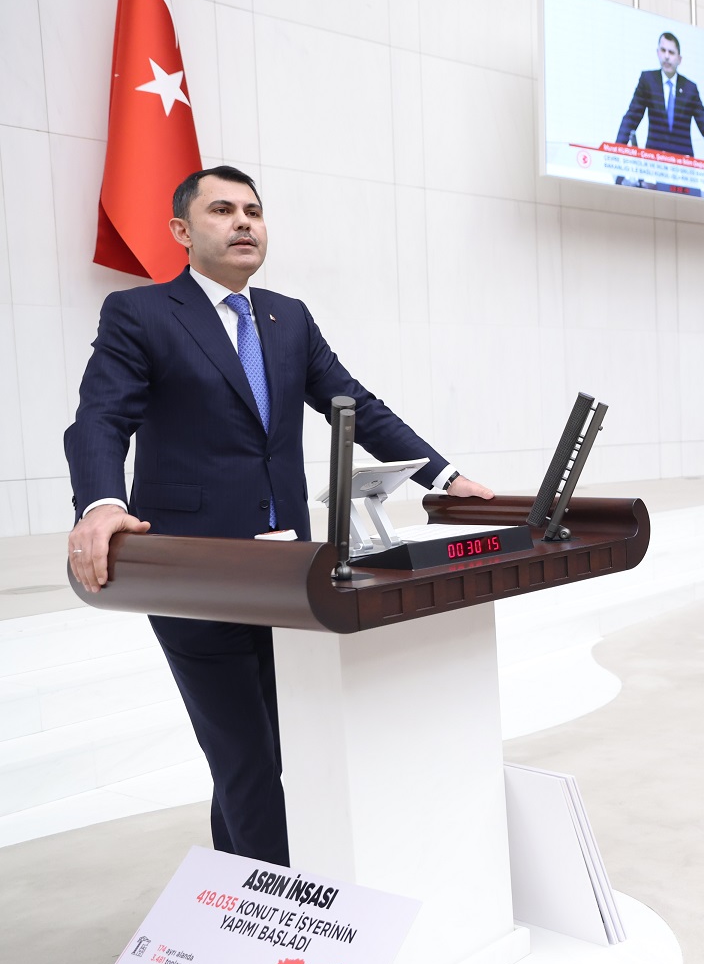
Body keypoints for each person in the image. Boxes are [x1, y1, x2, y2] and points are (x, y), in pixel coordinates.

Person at [63, 166, 494, 867]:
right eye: (222, 210)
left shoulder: (286, 317)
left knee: (271, 748)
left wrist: (445, 477)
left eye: (254, 211)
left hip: (292, 571)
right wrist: (101, 503)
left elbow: (355, 404)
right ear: (180, 231)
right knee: (245, 756)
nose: (244, 222)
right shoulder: (140, 314)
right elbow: (99, 419)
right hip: (196, 572)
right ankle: (278, 906)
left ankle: (240, 887)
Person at [615, 31, 704, 162]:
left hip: (683, 161)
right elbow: (631, 117)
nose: (666, 56)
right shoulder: (648, 80)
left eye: (671, 52)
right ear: (657, 53)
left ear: (679, 59)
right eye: (663, 51)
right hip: (654, 160)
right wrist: (616, 151)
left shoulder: (690, 88)